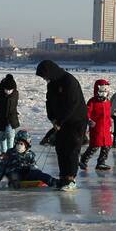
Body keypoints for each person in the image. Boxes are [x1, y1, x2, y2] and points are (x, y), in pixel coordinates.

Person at [36, 60, 87, 191]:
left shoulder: (69, 81)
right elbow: (49, 102)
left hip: (76, 121)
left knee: (71, 150)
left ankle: (71, 179)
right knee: (60, 149)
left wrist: (60, 121)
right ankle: (63, 177)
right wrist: (52, 118)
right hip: (60, 122)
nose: (45, 79)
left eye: (45, 76)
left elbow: (72, 104)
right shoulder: (51, 84)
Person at [79, 79, 113, 171]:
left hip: (106, 128)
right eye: (102, 91)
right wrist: (89, 120)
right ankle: (84, 160)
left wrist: (110, 125)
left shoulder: (108, 102)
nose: (104, 93)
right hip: (96, 128)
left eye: (106, 91)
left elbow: (108, 115)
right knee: (95, 145)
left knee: (107, 145)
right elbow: (87, 113)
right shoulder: (92, 101)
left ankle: (101, 162)